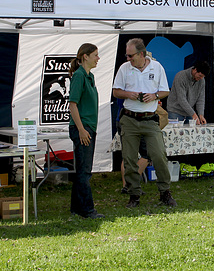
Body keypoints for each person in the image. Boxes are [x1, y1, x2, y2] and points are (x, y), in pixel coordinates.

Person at [112, 38, 176, 208]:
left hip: (149, 119)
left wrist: (154, 96)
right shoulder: (124, 68)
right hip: (129, 119)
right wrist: (128, 94)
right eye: (127, 55)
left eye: (131, 56)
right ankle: (134, 194)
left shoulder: (157, 67)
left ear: (141, 54)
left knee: (159, 155)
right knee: (129, 159)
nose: (128, 59)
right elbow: (116, 91)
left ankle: (165, 192)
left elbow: (165, 91)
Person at [67, 43, 104, 219]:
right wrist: (81, 129)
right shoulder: (79, 76)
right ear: (85, 56)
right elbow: (72, 104)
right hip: (83, 128)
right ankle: (88, 210)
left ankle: (76, 207)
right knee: (85, 171)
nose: (98, 58)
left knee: (82, 169)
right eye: (95, 55)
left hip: (89, 127)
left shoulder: (90, 76)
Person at [167, 61, 210, 125]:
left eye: (202, 77)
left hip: (189, 113)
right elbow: (181, 99)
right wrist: (194, 115)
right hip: (175, 111)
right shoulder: (180, 76)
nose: (200, 78)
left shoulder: (201, 80)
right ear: (195, 70)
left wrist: (201, 115)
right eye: (200, 76)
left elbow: (200, 99)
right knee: (175, 133)